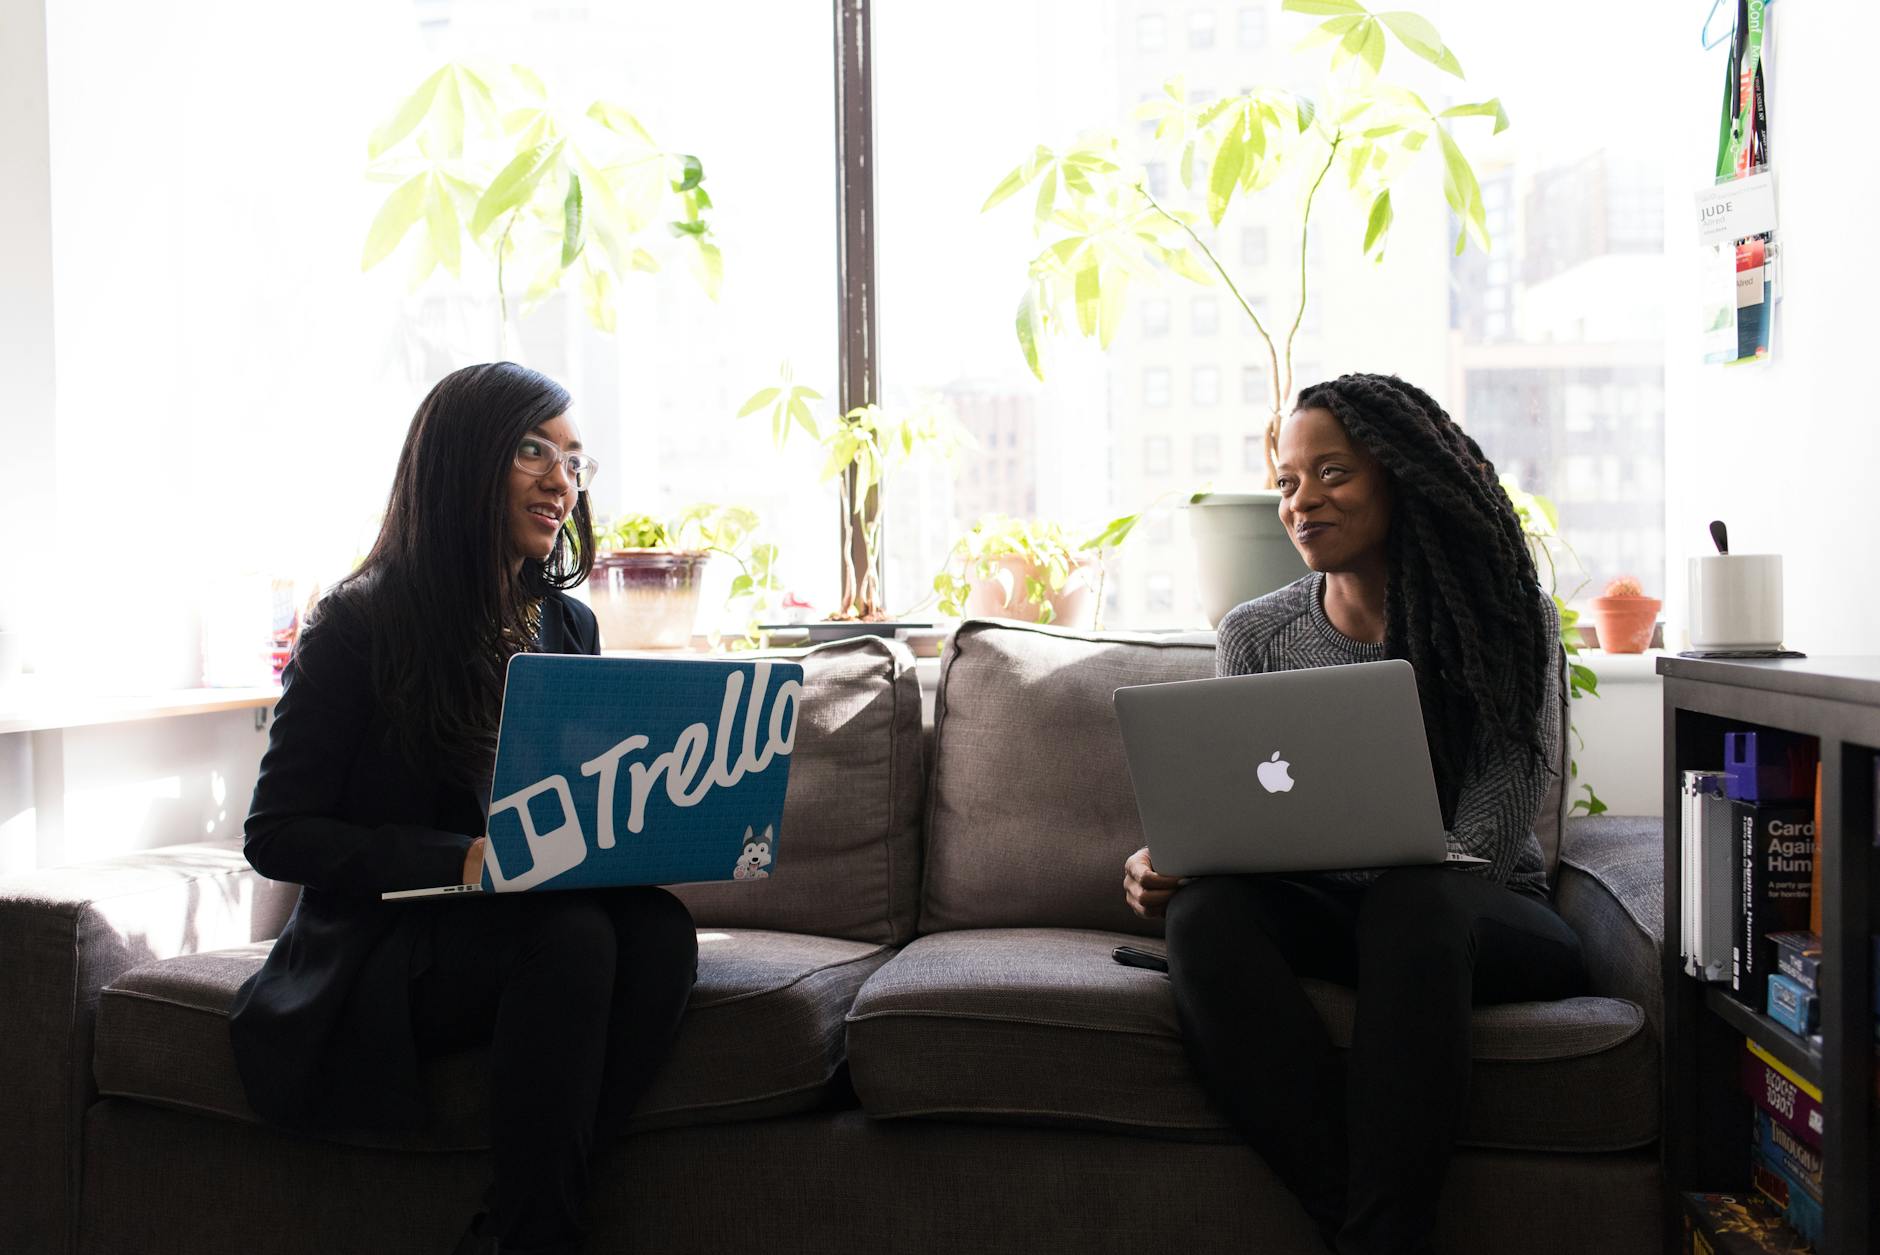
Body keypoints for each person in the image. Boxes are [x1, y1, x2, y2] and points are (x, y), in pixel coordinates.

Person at [228, 362, 699, 1255]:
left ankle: (522, 1223)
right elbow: (276, 833)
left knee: (660, 932)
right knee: (570, 937)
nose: (562, 482)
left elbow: (571, 794)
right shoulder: (356, 624)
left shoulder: (567, 624)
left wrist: (629, 831)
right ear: (464, 458)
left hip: (519, 918)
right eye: (534, 451)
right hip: (385, 943)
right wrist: (459, 858)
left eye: (574, 460)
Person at [1122, 373, 1587, 1255]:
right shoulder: (1255, 635)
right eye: (1287, 481)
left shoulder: (1505, 622)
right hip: (1347, 915)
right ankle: (1376, 1234)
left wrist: (1352, 859)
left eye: (1332, 473)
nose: (1302, 502)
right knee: (1205, 914)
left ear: (1399, 475)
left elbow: (1489, 836)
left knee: (1416, 898)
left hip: (1481, 919)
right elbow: (1247, 815)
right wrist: (1183, 855)